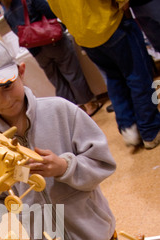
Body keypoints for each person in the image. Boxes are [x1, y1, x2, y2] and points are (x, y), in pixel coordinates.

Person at [0, 37, 117, 240]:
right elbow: (1, 199)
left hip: (97, 238)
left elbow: (103, 162)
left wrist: (65, 167)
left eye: (7, 85)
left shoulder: (61, 110)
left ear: (21, 71)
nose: (4, 101)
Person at [46, 0, 160, 149]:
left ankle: (128, 126)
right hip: (109, 24)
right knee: (138, 75)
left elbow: (55, 10)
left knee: (114, 79)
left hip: (84, 35)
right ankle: (150, 129)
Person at [2, 0, 103, 117]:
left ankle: (71, 112)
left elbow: (18, 32)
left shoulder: (7, 11)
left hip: (36, 51)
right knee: (73, 74)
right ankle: (89, 105)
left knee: (57, 82)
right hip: (52, 41)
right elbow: (52, 12)